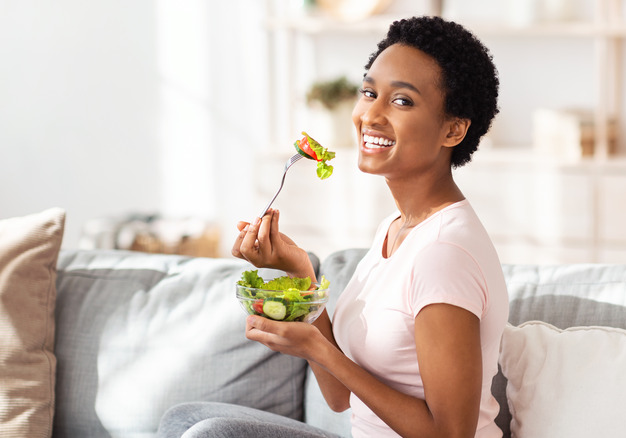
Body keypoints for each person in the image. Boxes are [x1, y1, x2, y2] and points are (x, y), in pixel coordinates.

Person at [158, 15, 506, 438]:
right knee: (184, 419)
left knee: (210, 435)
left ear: (453, 130)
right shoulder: (395, 229)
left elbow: (452, 435)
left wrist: (316, 347)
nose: (370, 115)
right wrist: (299, 270)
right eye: (369, 92)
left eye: (401, 101)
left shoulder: (444, 253)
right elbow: (340, 397)